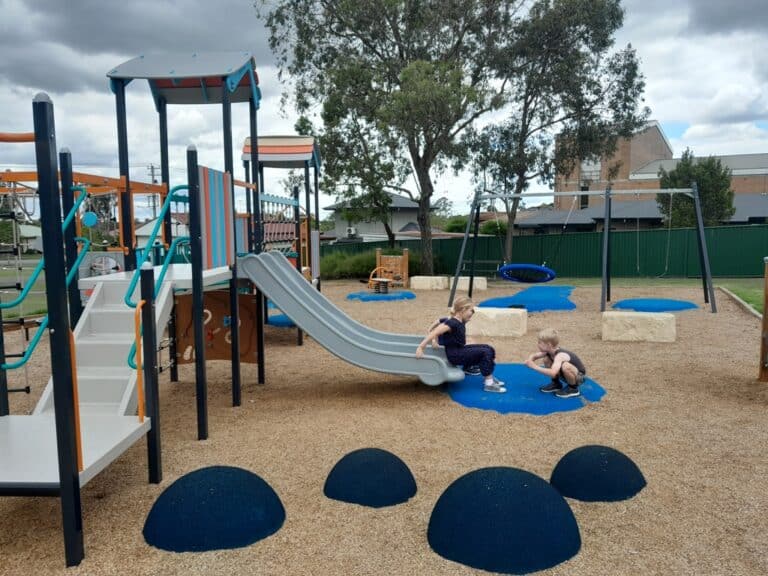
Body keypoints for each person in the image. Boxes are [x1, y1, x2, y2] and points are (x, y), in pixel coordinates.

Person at [416, 296, 505, 393]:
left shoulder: (459, 321)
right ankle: (489, 384)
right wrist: (421, 347)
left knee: (489, 348)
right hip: (455, 355)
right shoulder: (452, 323)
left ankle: (488, 377)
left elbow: (440, 324)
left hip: (460, 350)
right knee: (485, 352)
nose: (472, 313)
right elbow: (435, 332)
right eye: (472, 310)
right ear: (463, 309)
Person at [525, 328, 586, 398]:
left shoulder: (560, 355)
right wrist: (530, 360)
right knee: (546, 359)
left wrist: (534, 366)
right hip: (565, 374)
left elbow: (553, 373)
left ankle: (573, 389)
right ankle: (556, 384)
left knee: (566, 366)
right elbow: (534, 355)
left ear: (549, 345)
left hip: (578, 377)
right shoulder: (549, 351)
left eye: (540, 342)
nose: (537, 344)